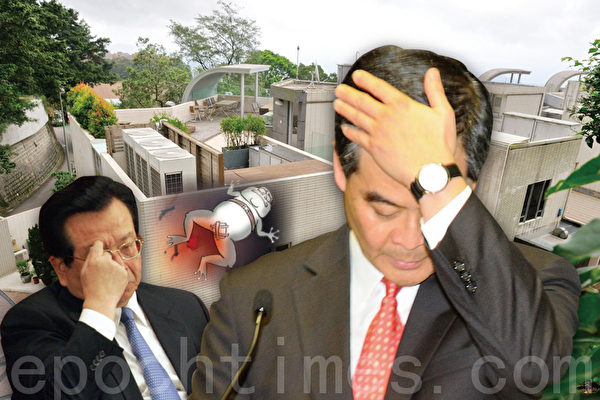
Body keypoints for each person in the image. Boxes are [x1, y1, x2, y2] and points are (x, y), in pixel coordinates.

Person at [189, 46, 580, 399]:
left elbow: (532, 370)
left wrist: (436, 177)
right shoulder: (252, 297)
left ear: (468, 186)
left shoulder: (537, 284)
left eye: (432, 206)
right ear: (340, 169)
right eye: (385, 209)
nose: (410, 240)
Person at [1, 176, 210, 399]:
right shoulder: (29, 322)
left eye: (127, 246)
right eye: (99, 257)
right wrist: (101, 306)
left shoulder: (186, 305)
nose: (120, 267)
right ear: (61, 268)